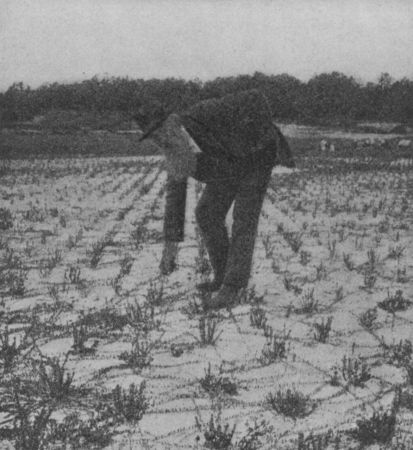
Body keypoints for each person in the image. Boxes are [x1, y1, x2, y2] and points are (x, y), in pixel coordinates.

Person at [143, 89, 295, 310]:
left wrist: (250, 139)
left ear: (172, 122)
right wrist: (170, 247)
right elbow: (175, 195)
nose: (160, 141)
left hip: (257, 155)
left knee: (244, 218)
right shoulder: (175, 149)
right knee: (207, 212)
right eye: (154, 138)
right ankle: (223, 275)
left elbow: (256, 97)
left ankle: (233, 287)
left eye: (160, 132)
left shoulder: (205, 112)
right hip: (228, 165)